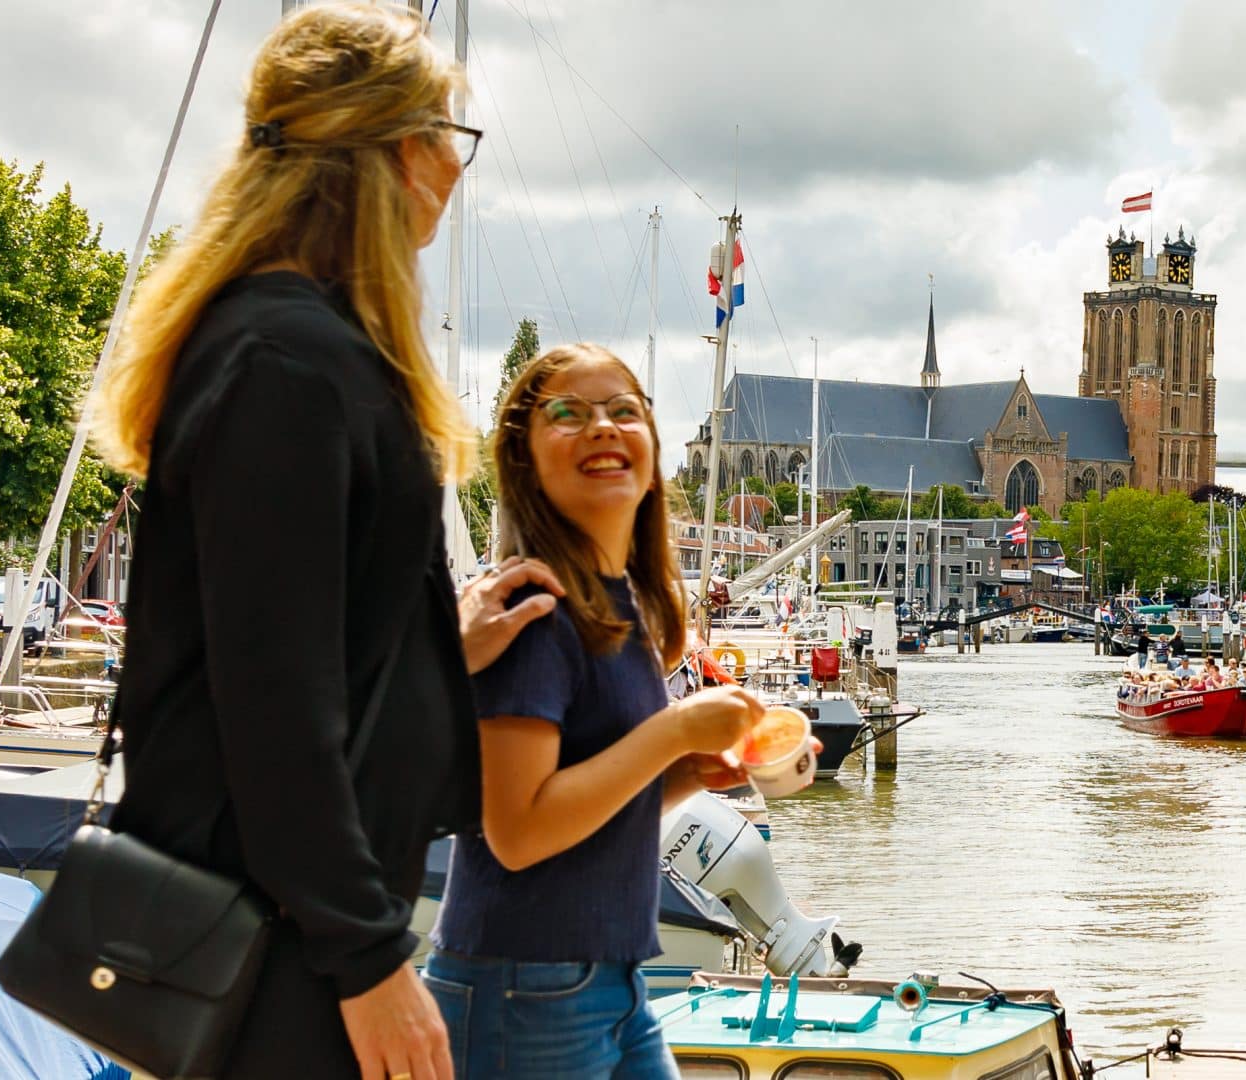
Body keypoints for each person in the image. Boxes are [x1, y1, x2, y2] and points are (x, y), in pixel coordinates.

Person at [87, 8, 554, 1078]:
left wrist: (433, 643)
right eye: (447, 133)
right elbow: (272, 706)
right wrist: (369, 963)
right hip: (279, 954)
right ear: (384, 153)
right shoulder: (289, 365)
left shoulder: (290, 348)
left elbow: (294, 645)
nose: (455, 165)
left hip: (282, 934)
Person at [425, 345, 765, 1079]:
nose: (603, 427)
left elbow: (597, 795)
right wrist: (672, 732)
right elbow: (517, 832)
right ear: (523, 456)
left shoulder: (620, 602)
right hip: (522, 984)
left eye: (624, 411)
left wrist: (687, 775)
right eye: (567, 414)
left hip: (610, 982)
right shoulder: (534, 605)